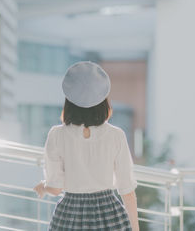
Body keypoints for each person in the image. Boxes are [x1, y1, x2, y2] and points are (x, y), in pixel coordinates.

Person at [34, 61, 139, 231]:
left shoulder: (57, 135)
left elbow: (55, 188)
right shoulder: (116, 135)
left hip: (69, 215)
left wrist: (43, 186)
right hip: (109, 215)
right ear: (104, 101)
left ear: (68, 100)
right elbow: (127, 191)